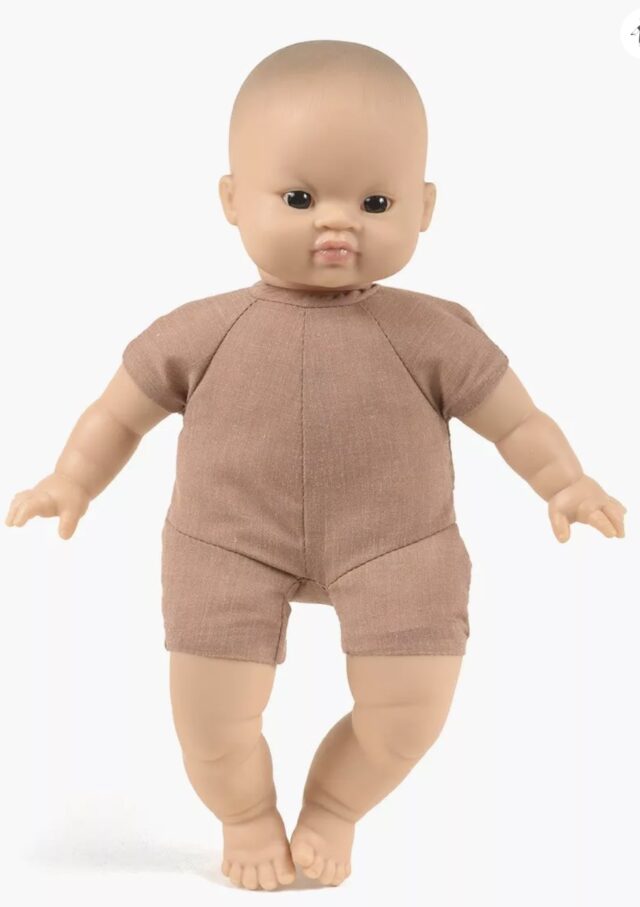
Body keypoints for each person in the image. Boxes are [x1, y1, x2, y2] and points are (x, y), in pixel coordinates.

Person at [5, 40, 627, 891]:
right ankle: (245, 815)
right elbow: (119, 412)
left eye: (376, 201)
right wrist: (71, 478)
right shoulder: (200, 330)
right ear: (232, 199)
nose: (339, 223)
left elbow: (516, 419)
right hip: (227, 540)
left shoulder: (435, 334)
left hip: (399, 542)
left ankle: (333, 807)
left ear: (425, 207)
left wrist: (564, 480)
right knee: (210, 715)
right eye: (299, 197)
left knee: (410, 706)